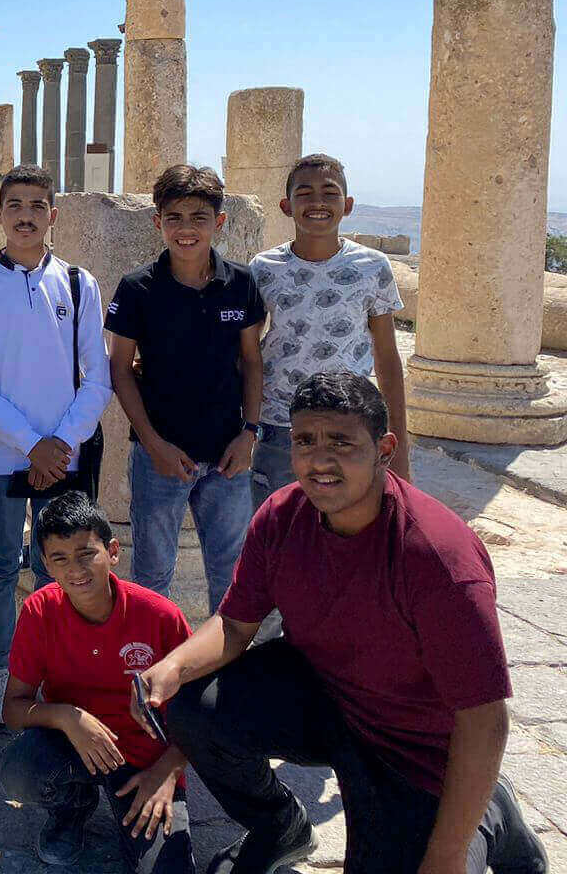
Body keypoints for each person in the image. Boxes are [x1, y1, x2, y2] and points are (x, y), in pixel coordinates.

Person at [140, 373, 548, 874]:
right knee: (192, 704)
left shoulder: (437, 558)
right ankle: (278, 827)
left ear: (384, 449)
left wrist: (445, 856)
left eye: (341, 442)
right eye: (305, 441)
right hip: (326, 698)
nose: (319, 460)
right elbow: (235, 625)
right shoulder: (282, 517)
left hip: (413, 745)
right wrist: (173, 667)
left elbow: (484, 720)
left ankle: (490, 812)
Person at [0, 166, 111, 726]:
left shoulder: (78, 283)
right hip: (5, 456)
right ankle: (0, 667)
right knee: (0, 562)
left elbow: (98, 378)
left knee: (57, 567)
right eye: (15, 205)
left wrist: (60, 444)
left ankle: (55, 669)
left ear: (53, 215)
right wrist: (31, 446)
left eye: (37, 205)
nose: (26, 216)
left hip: (63, 458)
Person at [0, 492, 194, 873]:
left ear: (113, 551)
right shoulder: (39, 611)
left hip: (146, 762)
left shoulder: (160, 617)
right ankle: (72, 806)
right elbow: (13, 710)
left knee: (168, 868)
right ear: (46, 564)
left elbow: (202, 717)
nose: (75, 569)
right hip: (73, 746)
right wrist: (68, 717)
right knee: (19, 770)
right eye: (60, 558)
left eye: (86, 553)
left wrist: (167, 771)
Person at [104, 165, 265, 614]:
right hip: (160, 457)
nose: (186, 228)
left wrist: (249, 434)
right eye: (174, 217)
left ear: (219, 221)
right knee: (152, 576)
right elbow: (120, 369)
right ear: (158, 222)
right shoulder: (138, 287)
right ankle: (155, 657)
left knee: (231, 575)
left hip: (228, 455)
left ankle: (223, 659)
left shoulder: (241, 283)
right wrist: (153, 444)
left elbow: (252, 361)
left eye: (198, 217)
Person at [249, 153, 408, 504]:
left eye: (330, 193)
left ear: (347, 205)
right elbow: (246, 352)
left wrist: (400, 448)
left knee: (346, 525)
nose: (317, 202)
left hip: (351, 428)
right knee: (277, 528)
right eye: (304, 193)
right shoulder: (264, 268)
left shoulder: (373, 267)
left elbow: (386, 357)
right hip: (280, 427)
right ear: (286, 206)